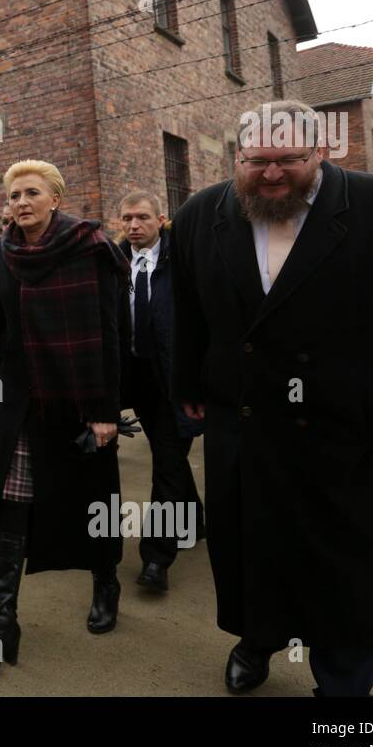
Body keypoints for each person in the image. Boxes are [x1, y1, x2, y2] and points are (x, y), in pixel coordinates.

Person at [172, 101, 373, 696]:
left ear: (321, 152)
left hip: (346, 424)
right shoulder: (199, 214)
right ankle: (258, 639)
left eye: (288, 159)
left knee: (345, 563)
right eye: (256, 160)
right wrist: (187, 384)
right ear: (238, 156)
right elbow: (188, 313)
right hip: (246, 420)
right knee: (252, 547)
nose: (271, 174)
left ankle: (343, 681)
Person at [0, 159, 128, 681]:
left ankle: (105, 582)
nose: (20, 203)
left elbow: (109, 331)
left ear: (55, 198)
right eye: (12, 196)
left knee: (92, 502)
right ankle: (2, 625)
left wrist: (105, 411)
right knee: (12, 511)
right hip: (21, 405)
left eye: (31, 193)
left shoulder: (91, 246)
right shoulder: (3, 257)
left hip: (79, 403)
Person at [116, 191, 204, 593]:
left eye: (142, 218)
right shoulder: (115, 262)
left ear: (161, 219)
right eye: (127, 218)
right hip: (139, 378)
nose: (134, 225)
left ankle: (157, 555)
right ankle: (196, 520)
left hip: (175, 378)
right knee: (169, 458)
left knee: (167, 462)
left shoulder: (181, 261)